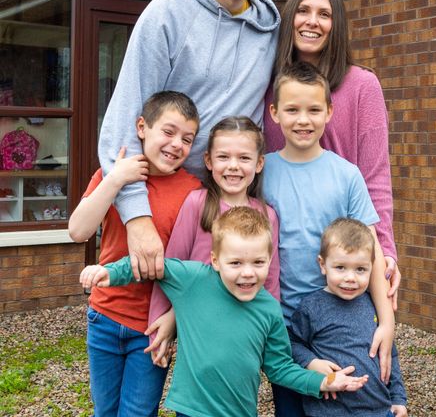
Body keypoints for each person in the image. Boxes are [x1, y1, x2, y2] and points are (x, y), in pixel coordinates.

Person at [98, 0, 280, 284]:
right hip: (158, 197)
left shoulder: (270, 31)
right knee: (140, 321)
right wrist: (137, 217)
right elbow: (126, 116)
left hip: (226, 201)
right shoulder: (166, 15)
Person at [80, 206, 370, 417]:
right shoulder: (194, 279)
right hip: (191, 409)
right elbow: (150, 266)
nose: (247, 273)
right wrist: (108, 273)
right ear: (216, 261)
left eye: (258, 262)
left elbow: (280, 368)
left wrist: (323, 382)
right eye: (235, 264)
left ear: (270, 259)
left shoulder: (269, 309)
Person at [262, 61, 395, 417]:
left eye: (313, 110)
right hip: (287, 326)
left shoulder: (346, 175)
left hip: (342, 323)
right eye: (292, 109)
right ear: (274, 113)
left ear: (329, 112)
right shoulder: (262, 171)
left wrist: (386, 321)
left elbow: (373, 248)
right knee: (290, 409)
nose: (303, 120)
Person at [263, 0, 401, 308]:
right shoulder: (269, 86)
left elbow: (375, 176)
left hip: (345, 254)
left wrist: (384, 250)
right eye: (303, 11)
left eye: (324, 14)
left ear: (335, 25)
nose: (312, 21)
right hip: (285, 262)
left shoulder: (362, 86)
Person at [69, 91, 201, 417]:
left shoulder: (193, 192)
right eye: (168, 132)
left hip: (152, 327)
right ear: (142, 127)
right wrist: (115, 179)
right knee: (105, 410)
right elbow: (78, 230)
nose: (176, 145)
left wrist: (172, 321)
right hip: (105, 316)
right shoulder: (113, 175)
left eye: (187, 139)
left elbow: (192, 267)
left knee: (138, 413)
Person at [146, 116, 281, 362]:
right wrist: (162, 321)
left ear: (259, 163)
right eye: (223, 157)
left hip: (242, 326)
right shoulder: (197, 204)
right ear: (208, 160)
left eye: (244, 158)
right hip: (198, 326)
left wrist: (269, 337)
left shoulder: (267, 215)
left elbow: (270, 282)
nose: (233, 166)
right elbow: (170, 267)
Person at [289, 217, 408, 417]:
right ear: (323, 264)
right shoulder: (312, 307)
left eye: (360, 269)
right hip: (330, 411)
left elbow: (389, 355)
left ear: (372, 267)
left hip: (379, 410)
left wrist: (398, 398)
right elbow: (292, 343)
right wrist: (311, 362)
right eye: (340, 267)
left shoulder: (374, 306)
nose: (350, 278)